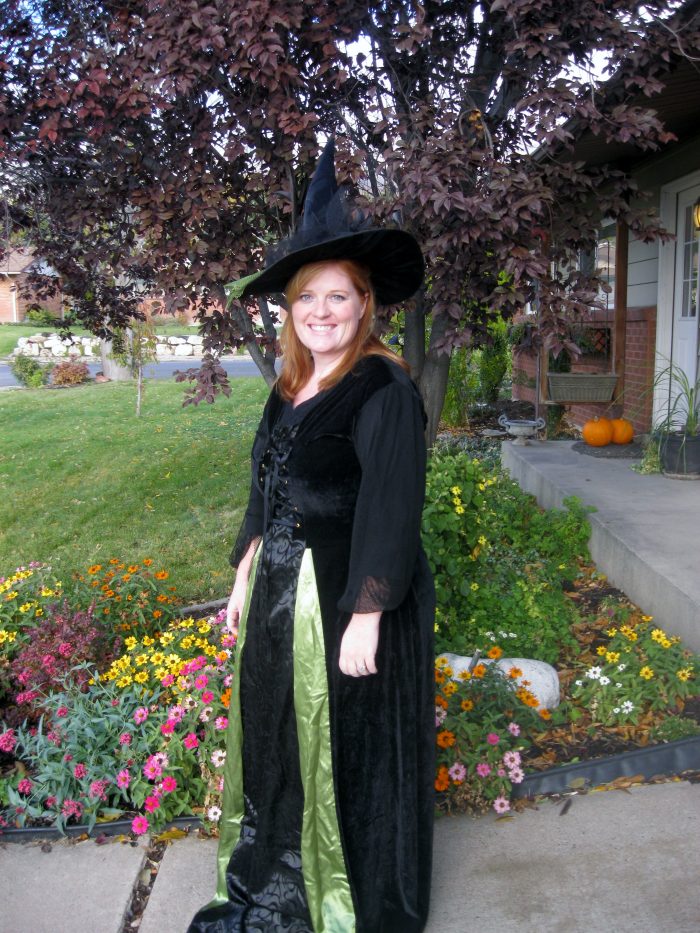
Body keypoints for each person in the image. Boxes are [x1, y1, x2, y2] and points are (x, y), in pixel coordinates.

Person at [188, 141, 435, 933]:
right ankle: (280, 872)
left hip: (343, 599)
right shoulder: (290, 386)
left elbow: (392, 507)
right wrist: (241, 577)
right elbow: (263, 491)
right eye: (306, 299)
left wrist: (367, 612)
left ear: (364, 305)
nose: (321, 312)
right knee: (282, 739)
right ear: (289, 310)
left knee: (344, 749)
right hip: (279, 596)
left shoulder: (383, 388)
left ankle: (343, 895)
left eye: (338, 296)